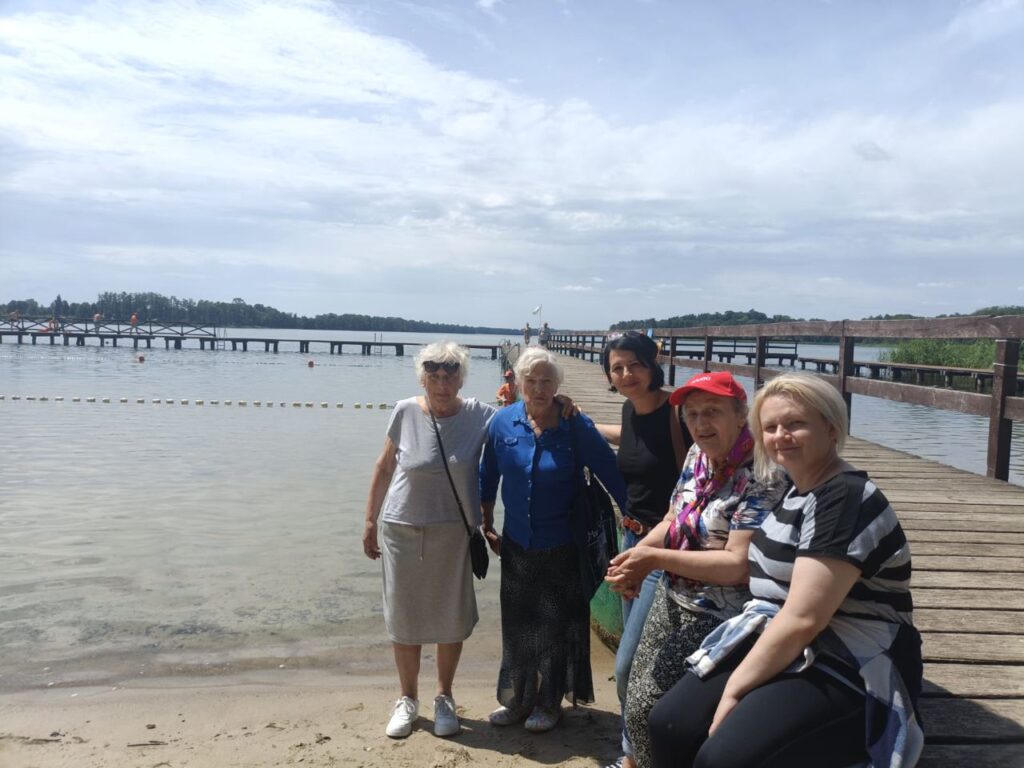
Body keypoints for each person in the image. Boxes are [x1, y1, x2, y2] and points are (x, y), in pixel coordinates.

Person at [647, 373, 923, 768]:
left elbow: (803, 618)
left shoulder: (844, 499)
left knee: (723, 758)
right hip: (781, 634)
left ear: (831, 427)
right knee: (669, 725)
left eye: (795, 424)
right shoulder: (796, 487)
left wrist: (734, 690)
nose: (781, 436)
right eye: (771, 427)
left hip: (850, 658)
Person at [608, 371, 789, 768]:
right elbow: (673, 519)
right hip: (675, 592)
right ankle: (638, 759)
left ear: (741, 415)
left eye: (712, 411)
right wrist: (635, 557)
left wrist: (654, 560)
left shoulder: (763, 473)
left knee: (648, 705)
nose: (700, 423)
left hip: (724, 613)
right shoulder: (698, 456)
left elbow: (737, 566)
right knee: (627, 677)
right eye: (691, 414)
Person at [480, 347, 628, 733]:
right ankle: (518, 700)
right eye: (531, 380)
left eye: (547, 381)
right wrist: (485, 520)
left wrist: (639, 519)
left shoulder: (574, 424)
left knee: (553, 627)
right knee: (518, 625)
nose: (539, 388)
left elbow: (610, 470)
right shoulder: (502, 422)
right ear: (519, 383)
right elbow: (488, 473)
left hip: (562, 545)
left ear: (557, 386)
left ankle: (549, 703)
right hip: (517, 543)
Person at [362, 342, 494, 740]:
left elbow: (525, 421)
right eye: (433, 376)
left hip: (454, 533)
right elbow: (384, 466)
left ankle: (444, 697)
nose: (442, 383)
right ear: (422, 379)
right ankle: (407, 698)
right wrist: (369, 520)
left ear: (461, 379)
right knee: (405, 618)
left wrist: (562, 403)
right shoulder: (405, 411)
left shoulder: (480, 415)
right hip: (402, 529)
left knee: (450, 618)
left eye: (450, 375)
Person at [595, 332, 693, 768]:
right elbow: (630, 436)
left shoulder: (681, 414)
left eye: (634, 364)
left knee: (629, 663)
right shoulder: (629, 409)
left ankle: (636, 754)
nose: (626, 374)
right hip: (630, 540)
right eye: (617, 368)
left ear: (653, 365)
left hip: (664, 549)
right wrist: (584, 425)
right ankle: (635, 748)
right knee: (637, 657)